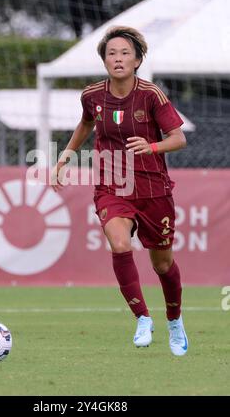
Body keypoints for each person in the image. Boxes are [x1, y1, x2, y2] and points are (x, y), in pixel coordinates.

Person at [52, 25, 188, 356]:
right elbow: (86, 122)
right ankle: (142, 317)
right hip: (112, 186)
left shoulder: (151, 95)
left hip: (154, 191)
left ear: (138, 60)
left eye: (125, 53)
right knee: (119, 242)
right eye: (111, 53)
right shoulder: (92, 96)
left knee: (162, 265)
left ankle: (174, 320)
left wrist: (152, 146)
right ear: (104, 61)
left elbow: (179, 139)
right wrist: (65, 159)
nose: (118, 58)